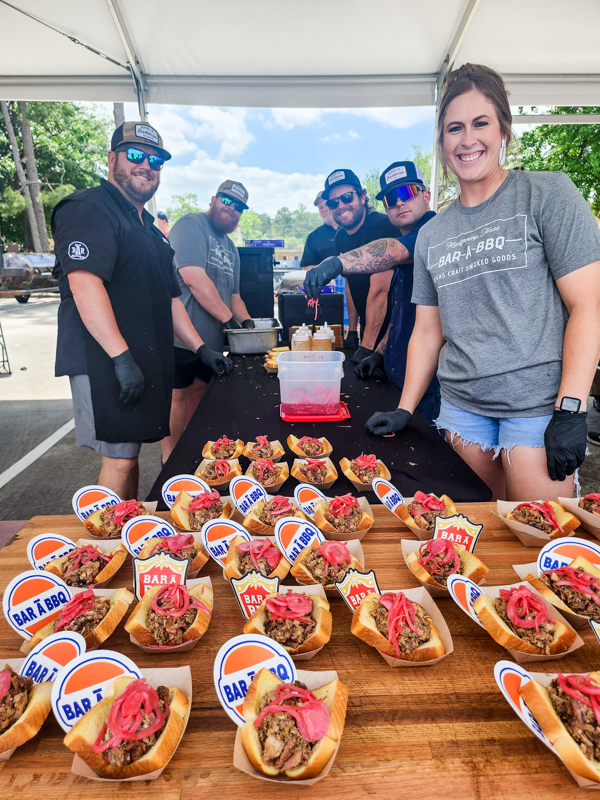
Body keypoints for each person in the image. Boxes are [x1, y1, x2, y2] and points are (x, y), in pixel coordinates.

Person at [337, 64, 600, 501]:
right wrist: (405, 408)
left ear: (504, 129)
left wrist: (571, 408)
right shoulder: (432, 234)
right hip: (461, 413)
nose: (468, 139)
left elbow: (588, 306)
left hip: (536, 412)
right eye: (454, 128)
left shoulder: (547, 194)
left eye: (481, 123)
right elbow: (428, 331)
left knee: (536, 545)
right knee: (477, 542)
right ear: (441, 144)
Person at [52, 122, 231, 499]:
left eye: (156, 160)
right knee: (119, 459)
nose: (146, 165)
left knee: (130, 457)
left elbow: (170, 301)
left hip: (141, 357)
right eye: (135, 155)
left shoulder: (151, 231)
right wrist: (120, 357)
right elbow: (84, 284)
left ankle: (125, 536)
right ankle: (105, 548)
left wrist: (201, 349)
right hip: (101, 357)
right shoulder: (88, 208)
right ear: (112, 158)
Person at [304, 161, 440, 422]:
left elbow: (391, 254)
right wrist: (379, 352)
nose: (400, 203)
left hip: (426, 383)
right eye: (391, 198)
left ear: (426, 195)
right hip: (398, 372)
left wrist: (336, 263)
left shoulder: (432, 232)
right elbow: (402, 309)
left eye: (407, 192)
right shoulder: (346, 236)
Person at [162, 180, 254, 462]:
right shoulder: (191, 225)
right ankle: (170, 460)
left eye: (239, 206)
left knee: (201, 393)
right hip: (181, 337)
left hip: (210, 344)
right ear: (214, 200)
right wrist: (229, 321)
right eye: (227, 200)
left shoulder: (231, 248)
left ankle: (192, 452)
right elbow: (192, 277)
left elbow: (234, 296)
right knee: (176, 398)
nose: (232, 208)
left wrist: (249, 325)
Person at [322, 168, 398, 361]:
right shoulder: (340, 236)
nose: (341, 205)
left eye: (347, 197)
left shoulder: (382, 225)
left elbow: (382, 287)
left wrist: (368, 347)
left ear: (362, 197)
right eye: (333, 202)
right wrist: (353, 331)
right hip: (368, 328)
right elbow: (350, 284)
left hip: (393, 329)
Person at [300, 191, 338, 269]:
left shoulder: (350, 229)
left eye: (326, 204)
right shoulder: (313, 237)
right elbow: (306, 267)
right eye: (320, 207)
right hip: (328, 281)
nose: (324, 209)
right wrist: (329, 269)